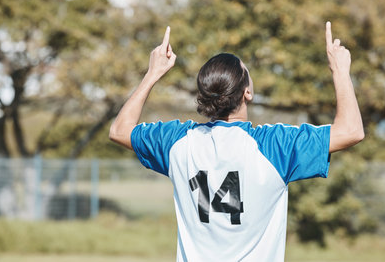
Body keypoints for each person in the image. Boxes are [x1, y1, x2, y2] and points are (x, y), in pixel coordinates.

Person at [109, 23, 364, 262]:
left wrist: (153, 73)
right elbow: (351, 130)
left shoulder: (178, 143)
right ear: (247, 92)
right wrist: (340, 71)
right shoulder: (274, 146)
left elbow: (120, 131)